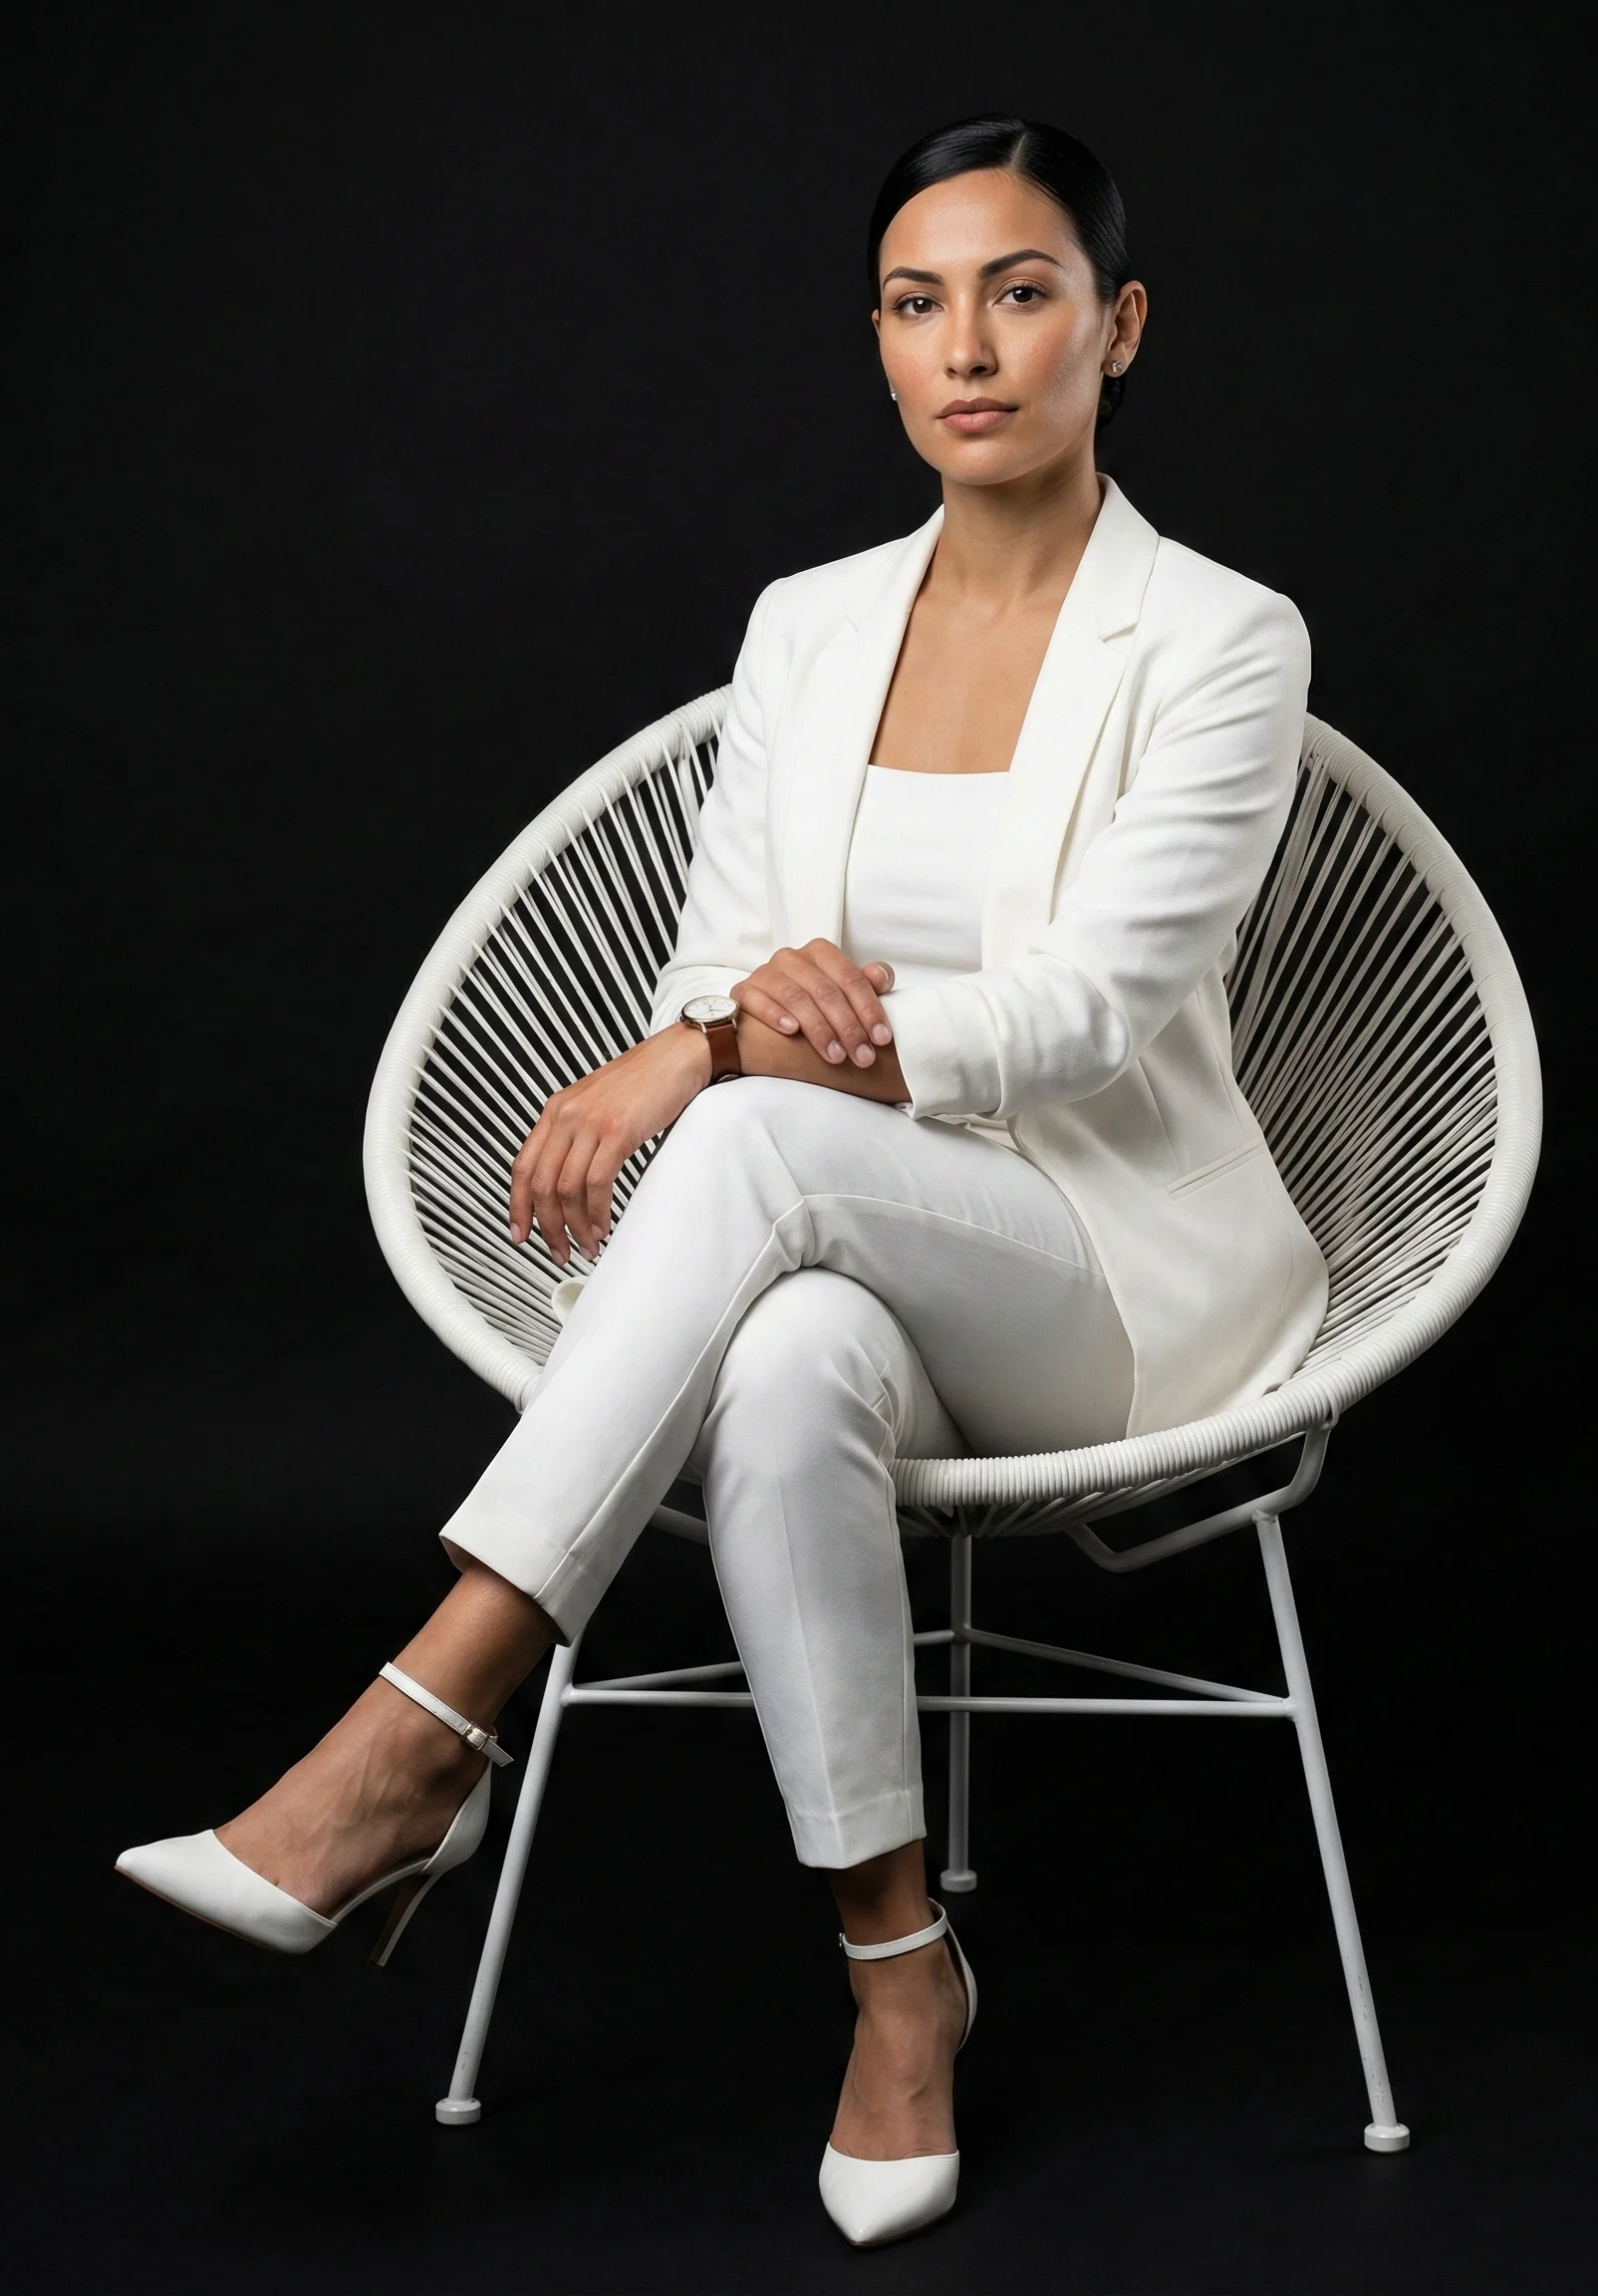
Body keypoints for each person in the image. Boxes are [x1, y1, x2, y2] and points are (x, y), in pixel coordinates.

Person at [117, 114, 1327, 2248]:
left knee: (755, 1132)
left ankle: (424, 1729)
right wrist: (736, 1020)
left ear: (1119, 326)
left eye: (1021, 292)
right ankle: (899, 1976)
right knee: (779, 1371)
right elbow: (731, 953)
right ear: (879, 342)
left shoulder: (1224, 637)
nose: (968, 348)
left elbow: (1085, 1015)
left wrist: (717, 1052)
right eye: (916, 303)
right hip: (868, 1250)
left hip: (1115, 1276)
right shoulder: (808, 626)